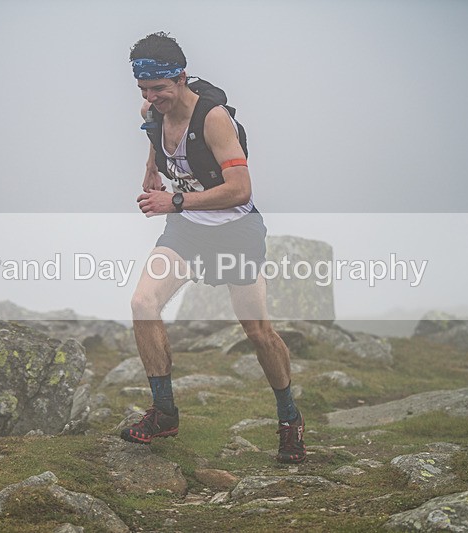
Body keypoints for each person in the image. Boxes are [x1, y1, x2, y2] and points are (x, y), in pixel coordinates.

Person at [121, 32, 306, 464]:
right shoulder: (152, 110)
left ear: (181, 78)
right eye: (144, 89)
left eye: (159, 88)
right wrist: (152, 168)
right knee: (143, 303)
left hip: (235, 231)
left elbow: (240, 189)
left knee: (257, 332)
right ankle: (164, 413)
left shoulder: (214, 120)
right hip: (187, 231)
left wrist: (174, 200)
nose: (151, 98)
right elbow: (153, 132)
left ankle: (289, 418)